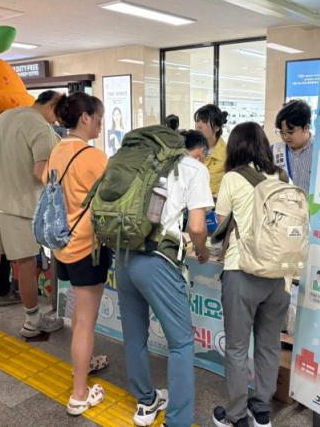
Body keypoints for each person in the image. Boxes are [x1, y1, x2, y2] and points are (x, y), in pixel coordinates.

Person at [116, 132, 213, 427]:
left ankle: (146, 401)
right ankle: (177, 422)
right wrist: (201, 249)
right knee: (181, 344)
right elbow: (197, 226)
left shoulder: (141, 162)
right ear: (199, 152)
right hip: (157, 260)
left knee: (135, 334)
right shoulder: (194, 168)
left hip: (123, 255)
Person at [0, 90, 65, 352]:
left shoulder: (6, 116)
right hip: (18, 204)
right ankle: (32, 322)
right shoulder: (41, 127)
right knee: (25, 266)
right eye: (59, 114)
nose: (58, 120)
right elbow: (41, 171)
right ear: (52, 105)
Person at [213, 122, 290, 427]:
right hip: (278, 276)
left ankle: (235, 415)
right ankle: (262, 412)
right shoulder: (281, 176)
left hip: (241, 271)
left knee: (236, 347)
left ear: (235, 147)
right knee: (269, 345)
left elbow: (221, 224)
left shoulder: (232, 178)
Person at [47, 92, 112, 416]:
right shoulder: (93, 156)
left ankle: (83, 364)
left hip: (62, 244)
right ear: (85, 117)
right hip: (88, 246)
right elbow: (113, 196)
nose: (100, 125)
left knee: (79, 312)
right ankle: (79, 394)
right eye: (98, 119)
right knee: (86, 320)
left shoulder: (57, 149)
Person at [272, 99, 314, 194]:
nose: (285, 137)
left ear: (306, 128)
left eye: (290, 132)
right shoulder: (275, 151)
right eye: (282, 132)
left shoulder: (319, 152)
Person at [195, 104, 229, 196]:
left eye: (204, 121)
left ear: (217, 127)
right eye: (197, 121)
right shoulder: (190, 149)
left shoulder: (226, 154)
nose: (198, 125)